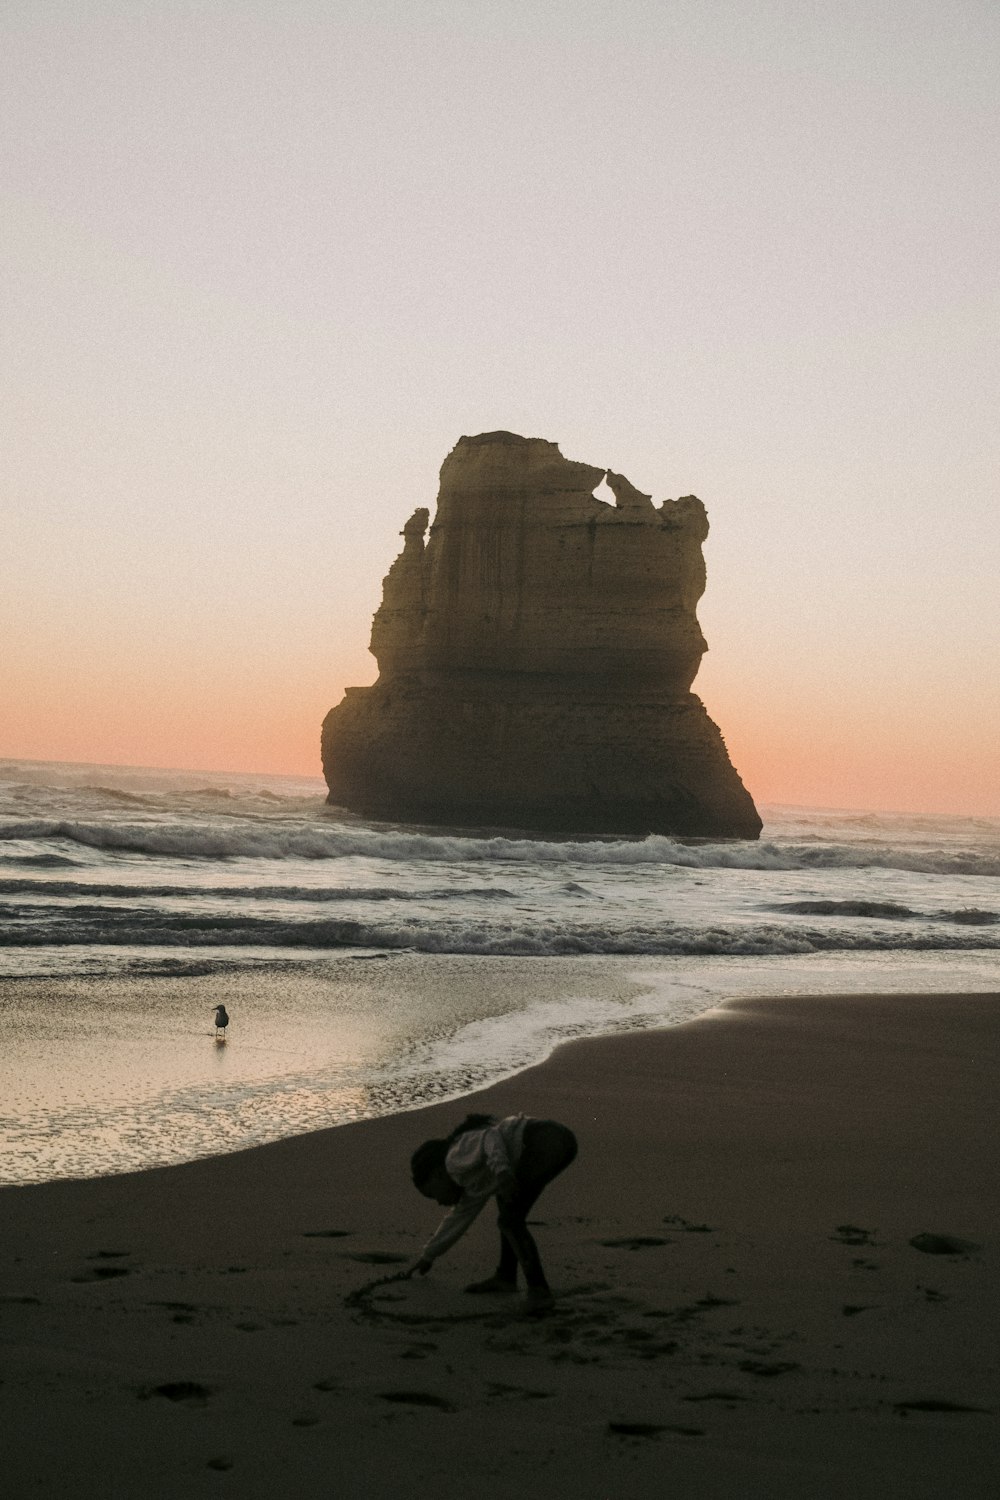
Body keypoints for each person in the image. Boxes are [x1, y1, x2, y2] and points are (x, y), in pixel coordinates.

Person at [405, 1112, 577, 1313]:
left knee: (510, 1219)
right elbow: (457, 1219)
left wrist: (502, 1171)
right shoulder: (471, 1185)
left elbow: (489, 1137)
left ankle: (539, 1292)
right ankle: (506, 1276)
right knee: (507, 1208)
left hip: (544, 1139)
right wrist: (429, 1255)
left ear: (437, 1174)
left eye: (433, 1194)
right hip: (555, 1141)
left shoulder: (454, 1160)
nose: (439, 1202)